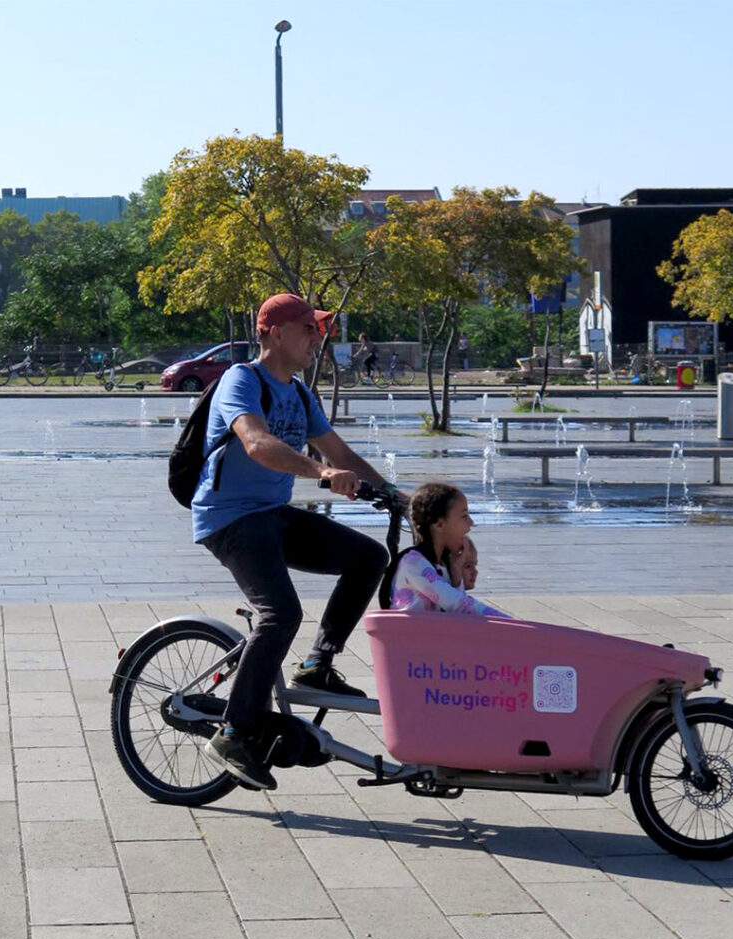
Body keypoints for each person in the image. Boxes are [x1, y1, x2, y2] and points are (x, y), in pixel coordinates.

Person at [196, 293, 395, 790]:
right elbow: (257, 443)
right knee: (280, 613)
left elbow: (340, 451)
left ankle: (317, 665)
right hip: (230, 519)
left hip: (272, 516)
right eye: (307, 327)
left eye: (318, 328)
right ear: (273, 333)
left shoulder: (302, 394)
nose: (316, 337)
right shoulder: (242, 381)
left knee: (369, 556)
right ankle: (234, 731)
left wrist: (400, 497)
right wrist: (321, 472)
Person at [385, 482, 508, 617]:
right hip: (407, 637)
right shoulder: (414, 564)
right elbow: (459, 605)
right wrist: (514, 624)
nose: (471, 523)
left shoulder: (441, 565)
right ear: (440, 524)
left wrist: (456, 575)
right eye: (464, 516)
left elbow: (456, 613)